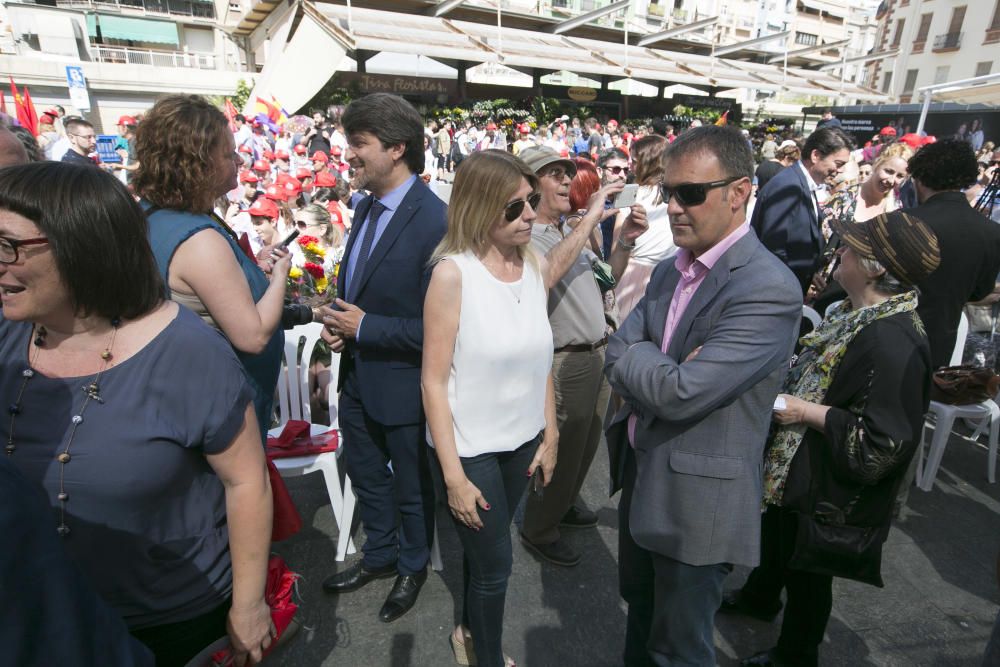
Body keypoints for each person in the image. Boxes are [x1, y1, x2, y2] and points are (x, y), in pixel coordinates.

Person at [0, 162, 274, 666]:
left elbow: (246, 482)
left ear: (79, 244)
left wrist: (249, 604)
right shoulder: (10, 334)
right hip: (43, 620)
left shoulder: (189, 354)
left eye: (8, 245)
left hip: (168, 623)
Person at [604, 125, 801, 667]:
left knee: (679, 650)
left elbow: (680, 393)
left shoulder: (766, 287)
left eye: (690, 193)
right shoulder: (671, 268)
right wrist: (651, 363)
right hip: (644, 476)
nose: (673, 206)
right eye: (669, 192)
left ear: (738, 192)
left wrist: (642, 362)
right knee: (640, 622)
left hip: (700, 504)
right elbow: (618, 348)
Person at [730, 212, 940, 667]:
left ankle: (795, 655)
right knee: (779, 543)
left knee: (809, 577)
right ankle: (760, 596)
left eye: (848, 248)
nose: (838, 252)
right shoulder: (852, 313)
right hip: (800, 472)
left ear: (875, 267)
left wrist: (805, 411)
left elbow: (882, 446)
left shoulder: (892, 340)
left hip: (828, 491)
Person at [422, 150, 558, 667]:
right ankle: (484, 653)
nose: (529, 215)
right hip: (470, 448)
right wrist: (453, 477)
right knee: (497, 565)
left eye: (531, 202)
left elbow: (540, 355)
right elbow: (433, 382)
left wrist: (552, 435)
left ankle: (465, 628)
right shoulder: (452, 276)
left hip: (522, 441)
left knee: (485, 553)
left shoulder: (534, 264)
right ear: (479, 209)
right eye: (514, 208)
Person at [316, 93, 447, 624]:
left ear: (396, 149)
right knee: (368, 474)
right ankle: (380, 556)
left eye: (358, 144)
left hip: (406, 385)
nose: (347, 154)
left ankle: (412, 567)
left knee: (413, 486)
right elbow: (362, 288)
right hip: (358, 378)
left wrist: (365, 327)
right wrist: (342, 329)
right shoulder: (366, 204)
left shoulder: (436, 220)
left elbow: (444, 329)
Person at [134, 94, 290, 439]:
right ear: (198, 163)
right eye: (227, 153)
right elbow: (252, 336)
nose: (237, 160)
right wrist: (279, 276)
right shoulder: (198, 239)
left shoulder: (154, 215)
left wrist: (252, 270)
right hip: (220, 414)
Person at [518, 145, 643, 567]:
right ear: (530, 185)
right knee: (562, 445)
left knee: (586, 445)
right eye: (554, 174)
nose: (566, 181)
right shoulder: (528, 233)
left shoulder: (560, 230)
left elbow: (608, 277)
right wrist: (590, 216)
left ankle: (563, 503)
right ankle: (539, 527)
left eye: (566, 173)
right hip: (564, 357)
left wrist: (623, 242)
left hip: (595, 354)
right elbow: (546, 275)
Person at [906, 139, 1000, 369]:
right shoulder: (990, 231)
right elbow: (980, 291)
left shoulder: (903, 221)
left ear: (919, 177)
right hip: (938, 348)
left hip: (886, 339)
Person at [751, 127, 854, 296]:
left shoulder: (803, 185)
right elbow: (772, 248)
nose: (840, 170)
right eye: (838, 164)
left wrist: (808, 273)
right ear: (816, 156)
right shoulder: (787, 186)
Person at [610, 134, 675, 321]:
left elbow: (618, 246)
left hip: (633, 278)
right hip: (672, 278)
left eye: (635, 161)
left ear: (648, 163)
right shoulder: (678, 195)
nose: (630, 165)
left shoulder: (629, 194)